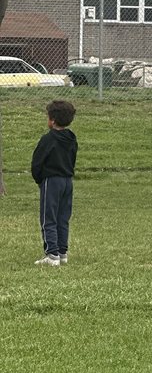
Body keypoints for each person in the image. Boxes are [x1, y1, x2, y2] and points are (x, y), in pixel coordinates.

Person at [31, 99, 78, 267]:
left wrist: (39, 179)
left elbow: (37, 162)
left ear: (52, 120)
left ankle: (52, 255)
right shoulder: (71, 139)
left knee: (48, 218)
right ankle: (62, 252)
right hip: (67, 181)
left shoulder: (48, 139)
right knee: (63, 218)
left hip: (51, 181)